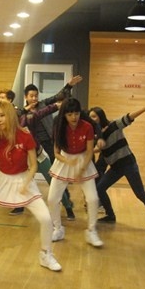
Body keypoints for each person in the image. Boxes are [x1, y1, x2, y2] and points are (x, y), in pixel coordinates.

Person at [0, 100, 62, 272]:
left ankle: (46, 254)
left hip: (24, 179)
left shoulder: (25, 136)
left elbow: (33, 166)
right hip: (1, 180)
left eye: (2, 115)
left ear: (10, 115)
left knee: (46, 219)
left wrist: (26, 182)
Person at [92, 98, 145, 233]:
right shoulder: (97, 135)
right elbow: (101, 148)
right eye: (90, 117)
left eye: (94, 116)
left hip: (128, 164)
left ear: (100, 116)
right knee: (100, 188)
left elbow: (129, 117)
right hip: (115, 167)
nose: (92, 119)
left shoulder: (114, 125)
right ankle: (110, 215)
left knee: (140, 194)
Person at [11, 77, 82, 217]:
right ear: (25, 97)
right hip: (25, 154)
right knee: (23, 181)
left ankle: (67, 206)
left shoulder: (37, 110)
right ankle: (19, 206)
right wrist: (24, 110)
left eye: (36, 95)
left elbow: (51, 104)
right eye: (31, 96)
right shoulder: (20, 113)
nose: (34, 98)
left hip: (42, 147)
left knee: (54, 179)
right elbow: (14, 116)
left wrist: (67, 88)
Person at [48, 98, 104, 246]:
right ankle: (58, 229)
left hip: (83, 160)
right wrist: (68, 161)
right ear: (64, 115)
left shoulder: (87, 126)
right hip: (64, 161)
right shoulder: (59, 127)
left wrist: (81, 169)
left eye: (77, 113)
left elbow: (90, 151)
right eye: (70, 114)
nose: (74, 117)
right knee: (52, 199)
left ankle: (92, 231)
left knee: (93, 199)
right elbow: (56, 153)